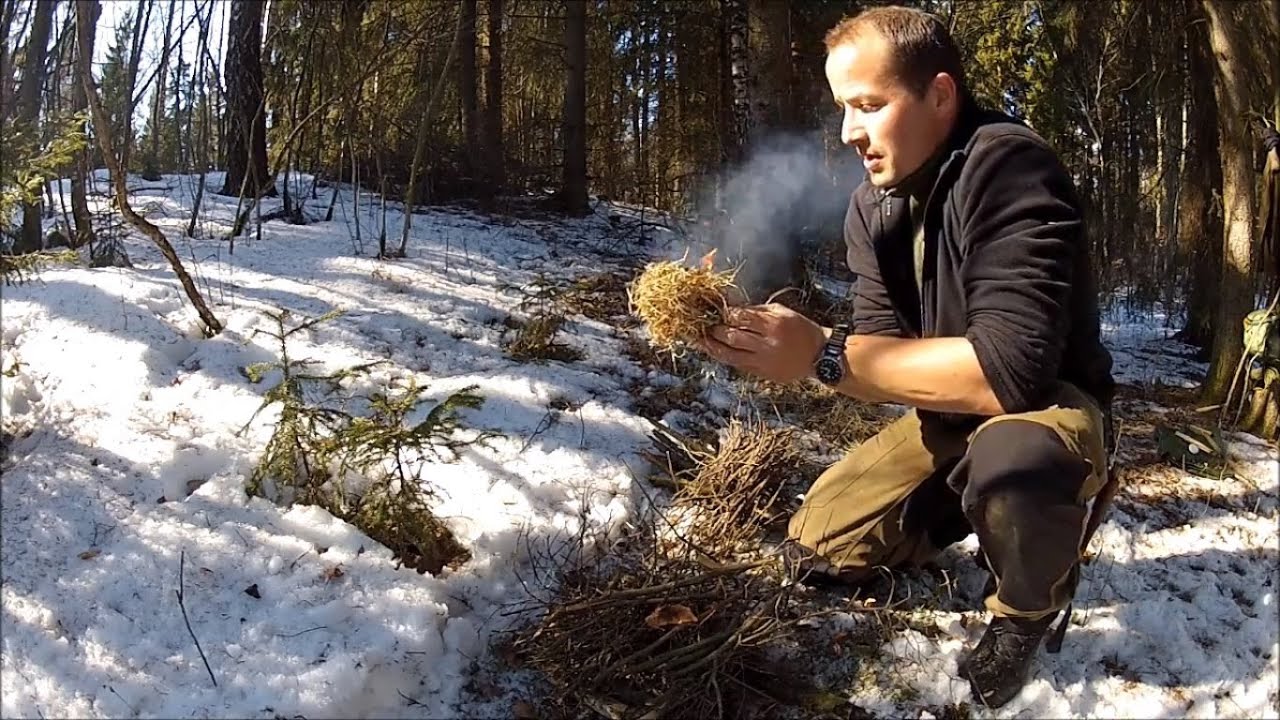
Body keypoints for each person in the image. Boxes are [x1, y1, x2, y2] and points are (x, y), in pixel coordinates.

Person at [696, 5, 1116, 709]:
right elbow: (880, 350)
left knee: (1015, 463)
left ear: (940, 95)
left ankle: (1028, 606)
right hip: (949, 415)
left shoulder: (1011, 167)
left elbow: (1012, 373)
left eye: (868, 105)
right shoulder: (874, 208)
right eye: (842, 108)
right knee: (818, 543)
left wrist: (823, 354)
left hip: (1049, 410)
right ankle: (965, 507)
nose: (848, 132)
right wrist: (769, 335)